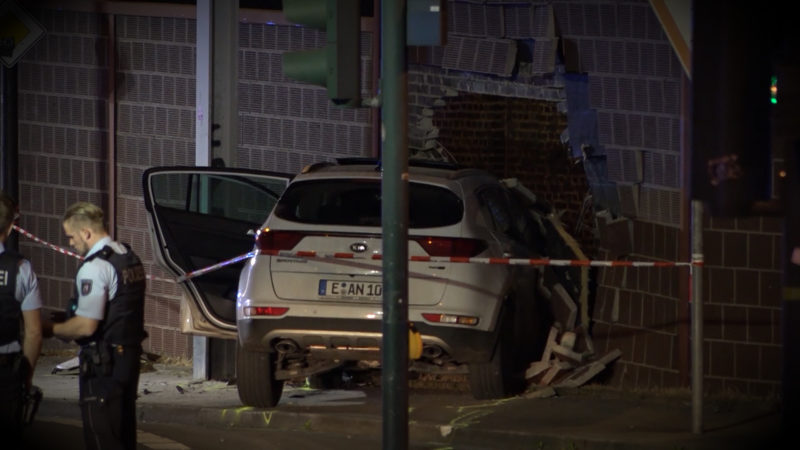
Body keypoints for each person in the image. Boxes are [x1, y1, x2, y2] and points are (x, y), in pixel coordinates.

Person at [43, 201, 146, 450]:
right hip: (127, 358)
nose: (70, 243)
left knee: (102, 436)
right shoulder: (127, 256)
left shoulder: (95, 267)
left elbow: (86, 326)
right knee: (122, 434)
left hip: (103, 364)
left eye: (71, 237)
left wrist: (50, 329)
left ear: (86, 233)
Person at [0, 191, 43, 448]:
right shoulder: (20, 268)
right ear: (11, 226)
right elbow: (34, 332)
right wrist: (26, 377)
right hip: (6, 371)